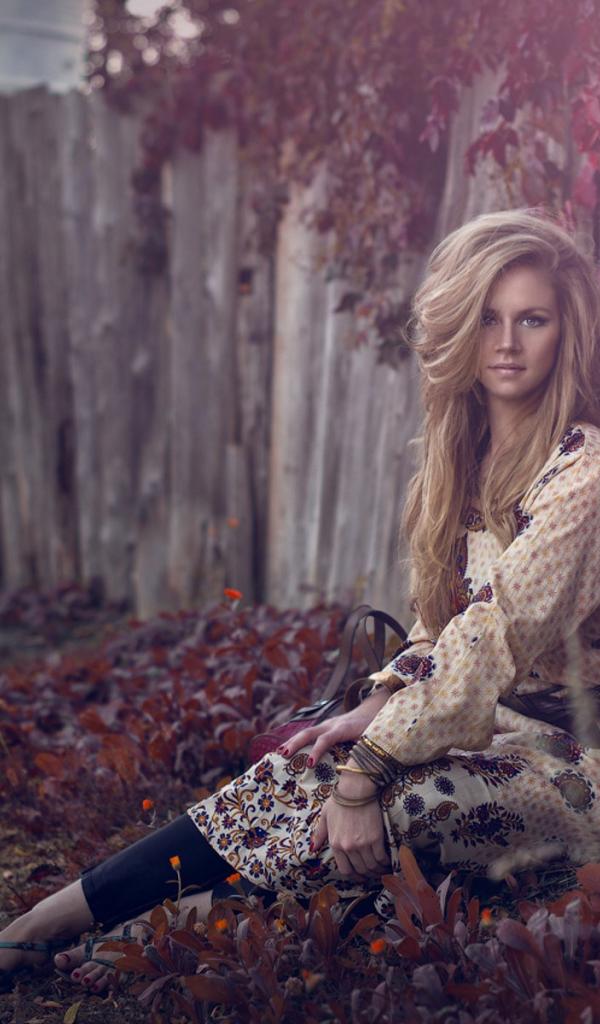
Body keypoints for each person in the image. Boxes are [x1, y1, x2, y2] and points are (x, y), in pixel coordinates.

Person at [3, 208, 600, 994]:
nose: (508, 342)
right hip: (487, 725)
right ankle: (41, 924)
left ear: (566, 331)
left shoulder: (582, 471)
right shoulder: (465, 459)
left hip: (575, 760)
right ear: (459, 323)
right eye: (488, 317)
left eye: (533, 319)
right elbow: (439, 625)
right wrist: (372, 709)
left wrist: (369, 767)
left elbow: (493, 633)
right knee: (298, 767)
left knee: (394, 801)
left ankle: (134, 941)